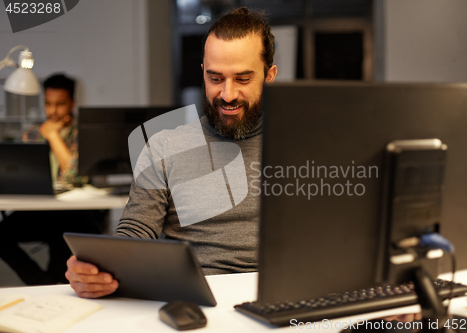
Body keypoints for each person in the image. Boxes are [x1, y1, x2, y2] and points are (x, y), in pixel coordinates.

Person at [66, 7, 277, 298]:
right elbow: (136, 230)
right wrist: (100, 269)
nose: (227, 95)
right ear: (202, 71)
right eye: (215, 78)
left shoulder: (303, 148)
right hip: (194, 299)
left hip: (277, 296)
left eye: (242, 79)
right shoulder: (164, 147)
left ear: (269, 75)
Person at [0, 74, 106, 285]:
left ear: (72, 103)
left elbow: (75, 175)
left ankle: (53, 284)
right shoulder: (31, 133)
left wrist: (54, 136)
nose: (53, 111)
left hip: (77, 213)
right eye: (48, 104)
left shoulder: (85, 134)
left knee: (61, 240)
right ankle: (41, 283)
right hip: (40, 209)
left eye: (60, 104)